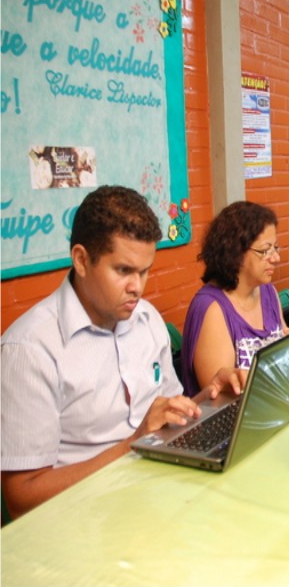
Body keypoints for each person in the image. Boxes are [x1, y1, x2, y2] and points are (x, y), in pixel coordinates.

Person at [0, 186, 244, 519]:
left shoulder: (146, 320)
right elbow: (22, 498)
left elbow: (172, 413)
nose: (138, 288)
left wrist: (213, 391)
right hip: (85, 519)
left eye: (145, 271)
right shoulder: (30, 349)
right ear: (82, 261)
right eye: (123, 271)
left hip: (158, 495)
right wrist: (133, 443)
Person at [181, 201, 289, 397]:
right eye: (265, 251)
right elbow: (222, 400)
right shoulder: (212, 309)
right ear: (235, 252)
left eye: (276, 248)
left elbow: (280, 343)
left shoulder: (268, 292)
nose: (276, 258)